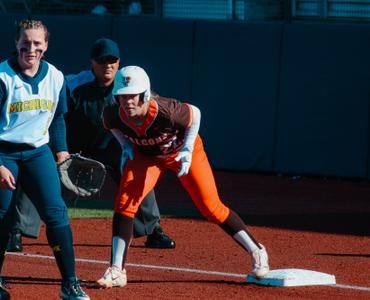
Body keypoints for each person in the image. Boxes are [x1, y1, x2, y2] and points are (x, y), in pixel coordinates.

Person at [96, 66, 270, 288]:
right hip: (147, 157)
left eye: (133, 95)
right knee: (124, 203)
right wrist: (126, 147)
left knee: (211, 207)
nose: (127, 101)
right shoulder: (113, 114)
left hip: (181, 153)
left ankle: (257, 250)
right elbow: (111, 126)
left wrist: (187, 149)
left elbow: (195, 114)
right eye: (122, 96)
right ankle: (117, 270)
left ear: (145, 94)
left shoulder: (165, 111)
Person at [7, 37, 176, 252]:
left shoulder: (128, 86)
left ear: (119, 62)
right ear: (92, 62)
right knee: (37, 172)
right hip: (73, 148)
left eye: (112, 60)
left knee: (137, 171)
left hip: (112, 148)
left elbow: (153, 106)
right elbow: (52, 114)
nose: (107, 65)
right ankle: (16, 231)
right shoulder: (73, 85)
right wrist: (61, 151)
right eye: (102, 60)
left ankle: (152, 231)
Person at [0, 19, 89, 300]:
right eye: (25, 42)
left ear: (46, 45)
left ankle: (69, 284)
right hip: (1, 151)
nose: (31, 48)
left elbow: (58, 118)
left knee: (57, 214)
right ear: (16, 43)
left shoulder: (56, 77)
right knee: (2, 218)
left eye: (38, 43)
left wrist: (61, 150)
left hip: (38, 151)